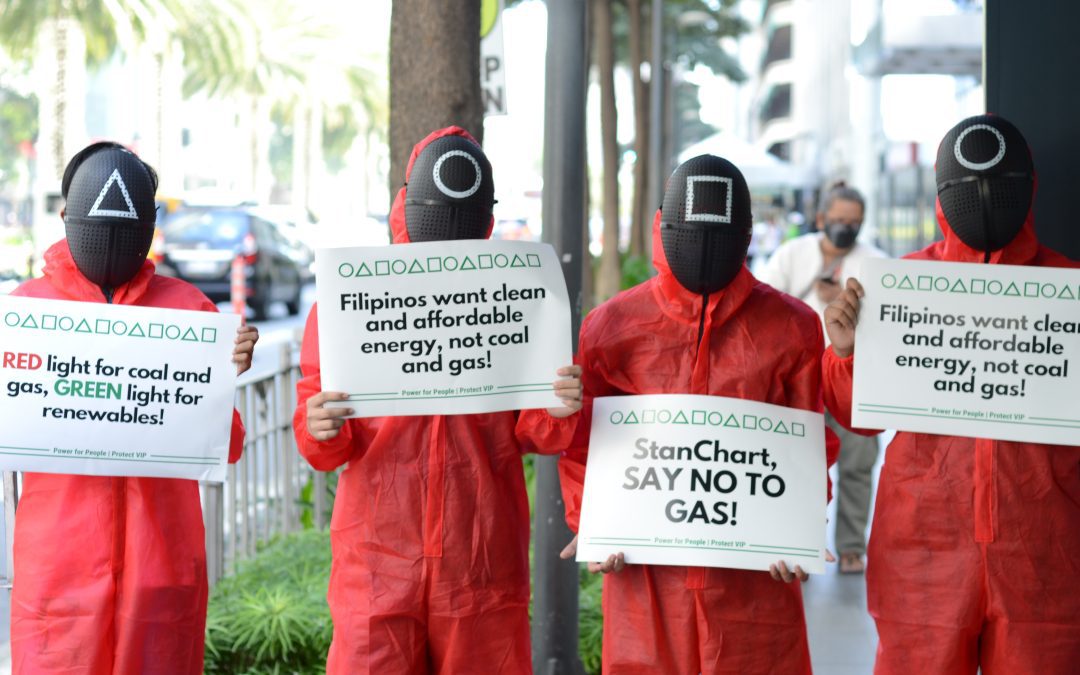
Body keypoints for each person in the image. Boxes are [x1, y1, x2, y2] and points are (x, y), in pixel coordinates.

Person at [293, 126, 582, 674]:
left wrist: (559, 406)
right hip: (376, 559)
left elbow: (535, 430)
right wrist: (318, 426)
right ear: (407, 205)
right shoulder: (349, 303)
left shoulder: (515, 300)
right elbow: (323, 445)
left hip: (480, 557)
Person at [555, 154, 837, 674]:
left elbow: (808, 442)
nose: (703, 250)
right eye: (689, 234)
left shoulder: (792, 327)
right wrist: (592, 521)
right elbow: (582, 442)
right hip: (647, 582)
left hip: (752, 584)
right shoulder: (612, 326)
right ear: (663, 226)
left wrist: (797, 528)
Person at [823, 115, 1080, 674]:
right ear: (944, 199)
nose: (986, 202)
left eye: (1001, 188)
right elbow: (857, 419)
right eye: (969, 191)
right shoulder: (900, 286)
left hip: (1047, 552)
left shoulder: (1070, 292)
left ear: (1028, 190)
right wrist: (845, 353)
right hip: (922, 547)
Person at [8, 141, 258, 674]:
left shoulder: (190, 310)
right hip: (59, 574)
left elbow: (226, 447)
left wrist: (223, 377)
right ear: (65, 216)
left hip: (160, 570)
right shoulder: (26, 312)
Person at [757, 182, 886, 574]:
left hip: (855, 380)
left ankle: (850, 547)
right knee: (799, 466)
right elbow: (765, 303)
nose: (845, 228)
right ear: (820, 220)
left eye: (854, 222)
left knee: (858, 465)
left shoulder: (876, 262)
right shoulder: (792, 254)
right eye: (838, 220)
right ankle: (800, 544)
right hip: (802, 379)